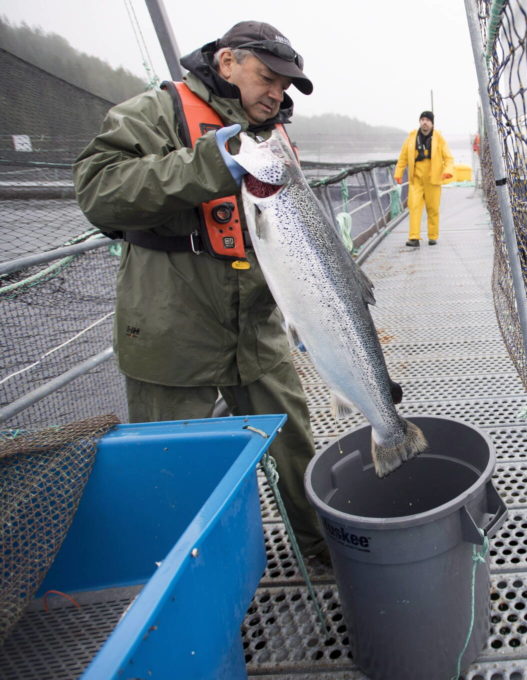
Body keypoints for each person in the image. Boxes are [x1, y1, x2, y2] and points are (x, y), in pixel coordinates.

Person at [73, 21, 329, 566]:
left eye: (286, 87)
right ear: (228, 61)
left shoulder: (274, 135)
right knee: (172, 471)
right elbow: (98, 191)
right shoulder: (157, 111)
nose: (277, 94)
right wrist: (207, 163)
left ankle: (325, 555)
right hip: (171, 333)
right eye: (268, 78)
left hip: (256, 335)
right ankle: (188, 583)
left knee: (296, 451)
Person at [394, 111, 454, 247]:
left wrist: (448, 171)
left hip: (433, 179)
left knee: (433, 209)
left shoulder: (439, 138)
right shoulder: (411, 138)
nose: (424, 122)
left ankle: (433, 236)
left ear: (432, 123)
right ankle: (413, 237)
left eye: (427, 120)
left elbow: (448, 158)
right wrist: (398, 173)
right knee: (414, 206)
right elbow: (403, 158)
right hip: (416, 179)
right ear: (419, 122)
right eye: (422, 119)